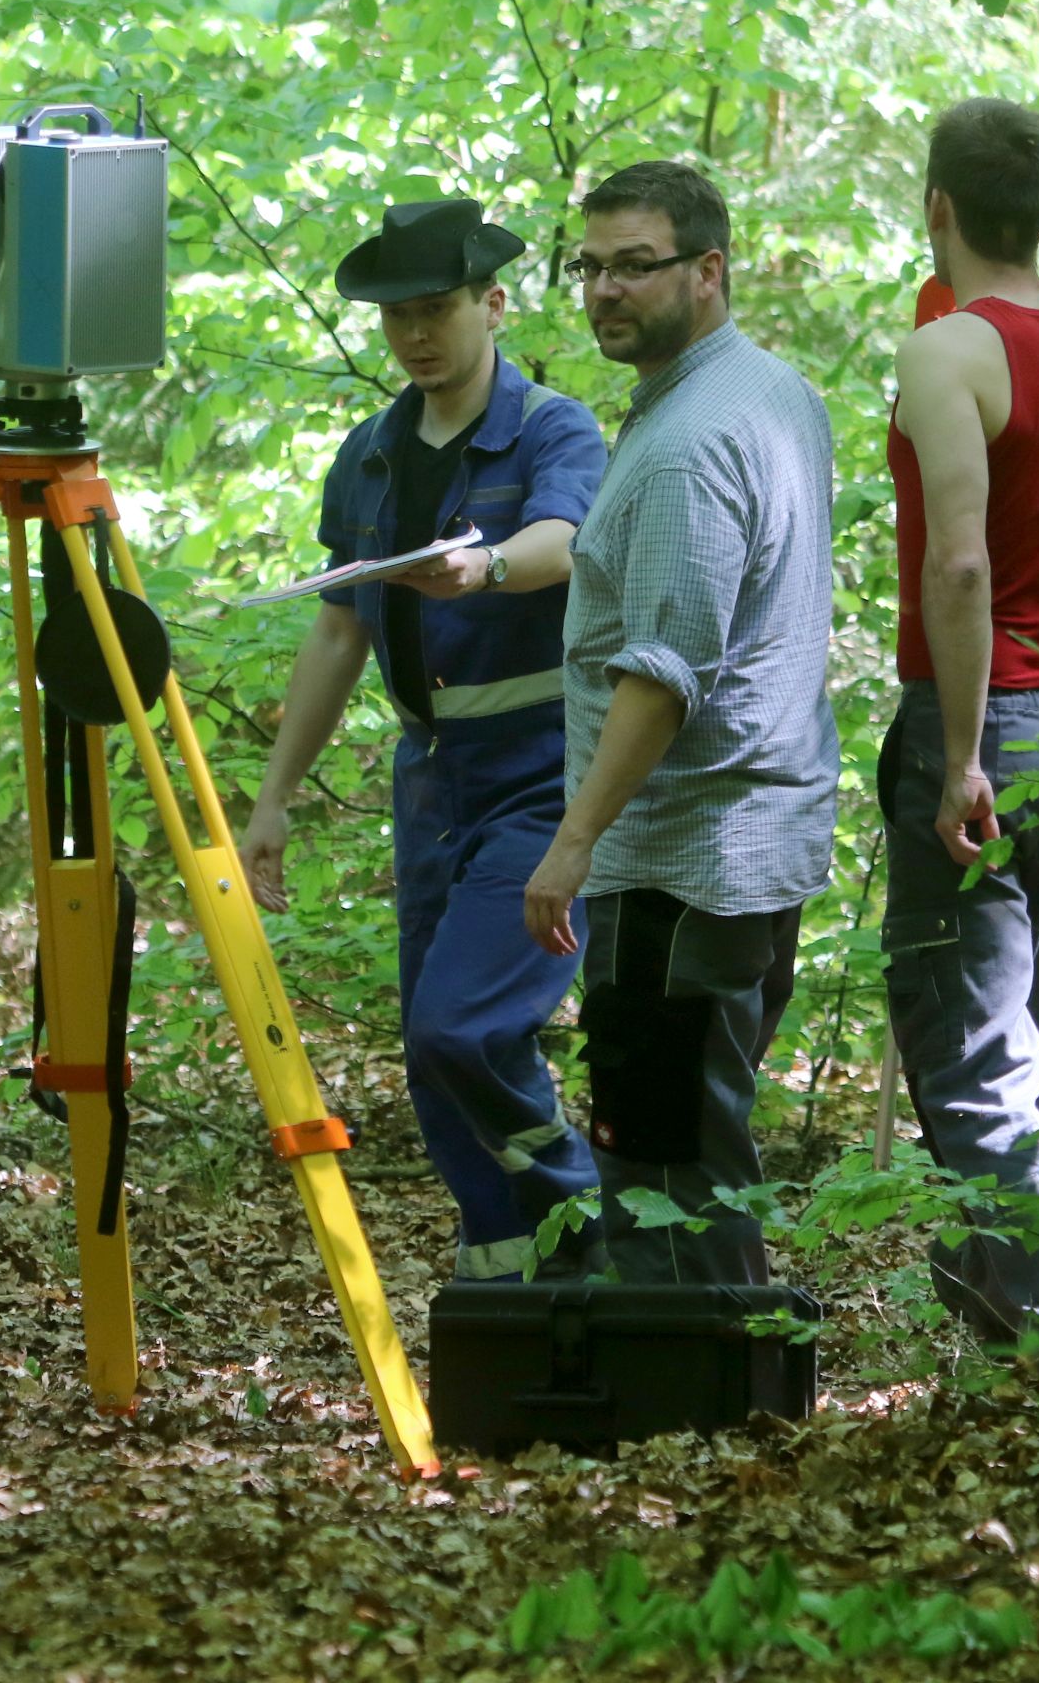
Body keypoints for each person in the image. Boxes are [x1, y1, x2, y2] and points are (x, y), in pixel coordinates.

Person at [243, 199, 609, 1282]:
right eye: (397, 315)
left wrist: (486, 564)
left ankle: (578, 1220)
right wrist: (274, 799)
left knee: (463, 1025)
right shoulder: (371, 456)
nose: (417, 334)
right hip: (432, 778)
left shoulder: (552, 427)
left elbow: (567, 539)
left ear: (492, 305)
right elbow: (339, 627)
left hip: (543, 771)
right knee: (427, 1046)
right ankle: (504, 1268)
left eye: (437, 307)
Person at [522, 161, 839, 1286]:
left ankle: (703, 1416)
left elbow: (662, 674)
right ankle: (724, 1395)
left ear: (708, 271)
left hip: (678, 864)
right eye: (591, 267)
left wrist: (574, 842)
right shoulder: (771, 390)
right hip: (754, 846)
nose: (607, 291)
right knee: (701, 1139)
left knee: (666, 1162)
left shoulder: (687, 446)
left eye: (636, 266)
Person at [881, 97, 1039, 1364]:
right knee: (1032, 1025)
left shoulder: (949, 355)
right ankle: (998, 1296)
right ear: (1038, 214)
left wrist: (968, 749)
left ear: (941, 208)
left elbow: (962, 570)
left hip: (981, 715)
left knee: (966, 1035)